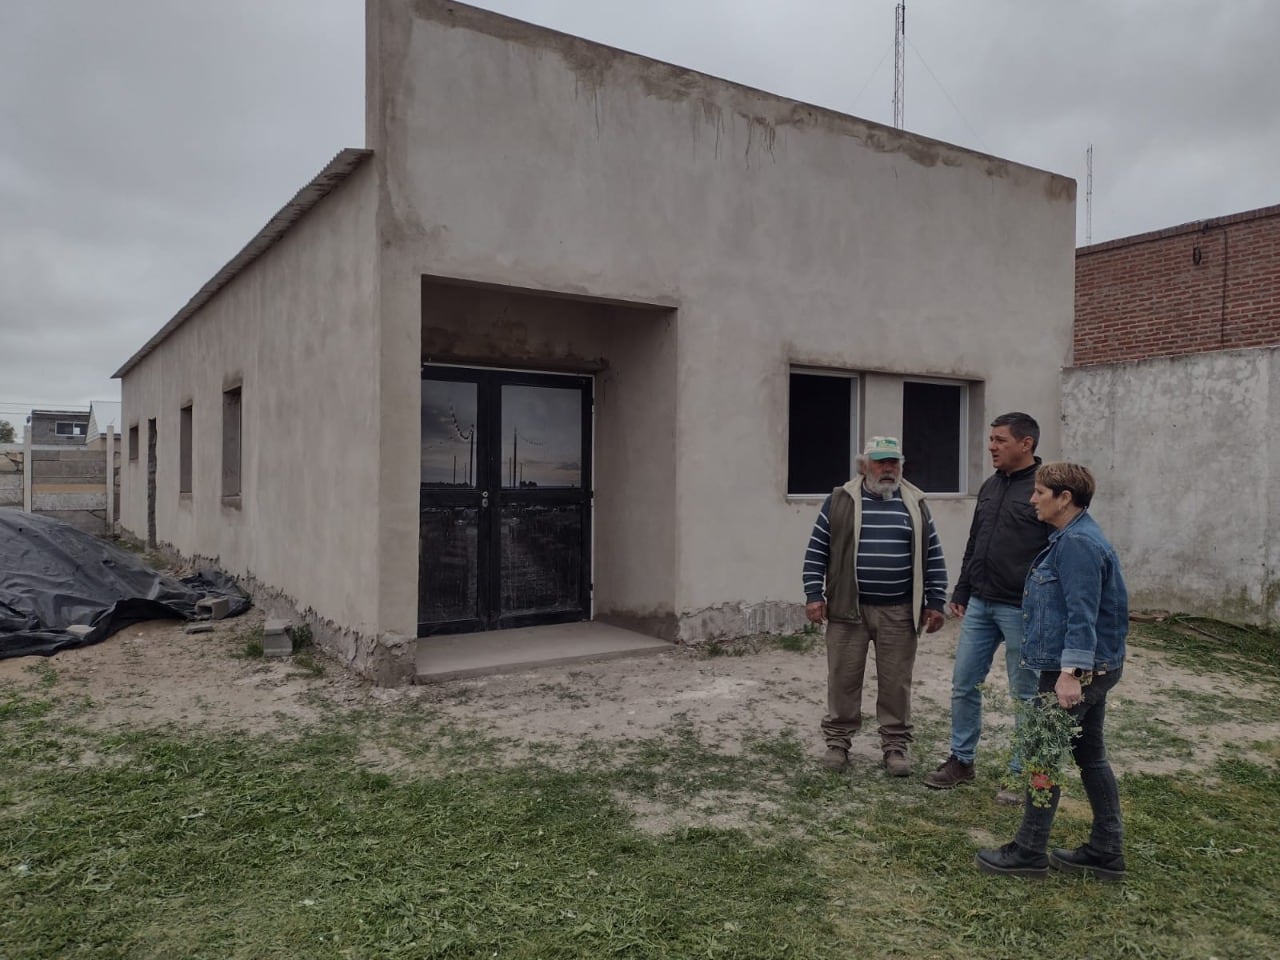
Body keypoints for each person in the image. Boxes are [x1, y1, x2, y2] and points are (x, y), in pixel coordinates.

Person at [976, 461, 1129, 880]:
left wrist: (1070, 673)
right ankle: (1105, 850)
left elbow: (1083, 615)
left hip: (1077, 670)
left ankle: (1028, 850)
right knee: (1089, 754)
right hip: (1089, 667)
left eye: (1040, 492)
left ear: (1065, 498)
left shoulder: (1078, 543)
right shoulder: (1071, 537)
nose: (1032, 499)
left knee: (1041, 756)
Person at [802, 435, 947, 777]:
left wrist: (936, 600)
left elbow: (933, 556)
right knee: (843, 678)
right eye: (881, 462)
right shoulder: (839, 501)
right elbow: (816, 552)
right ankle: (838, 743)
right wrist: (813, 595)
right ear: (864, 465)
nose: (888, 468)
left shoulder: (916, 504)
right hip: (846, 609)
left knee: (896, 682)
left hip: (898, 611)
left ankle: (895, 747)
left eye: (894, 462)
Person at [924, 412, 1050, 802]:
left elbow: (1056, 550)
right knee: (964, 683)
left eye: (999, 440)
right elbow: (976, 540)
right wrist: (962, 589)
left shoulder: (1047, 489)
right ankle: (962, 761)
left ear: (1025, 444)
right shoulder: (991, 486)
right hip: (980, 603)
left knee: (1024, 694)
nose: (991, 446)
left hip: (1021, 608)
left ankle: (1020, 774)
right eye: (990, 439)